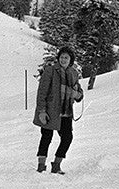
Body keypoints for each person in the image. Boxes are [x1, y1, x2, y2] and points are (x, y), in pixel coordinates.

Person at [33, 45, 84, 175]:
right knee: (46, 137)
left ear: (70, 59)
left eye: (66, 58)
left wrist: (77, 95)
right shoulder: (50, 71)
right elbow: (42, 93)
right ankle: (41, 166)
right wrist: (42, 111)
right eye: (61, 57)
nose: (63, 60)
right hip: (50, 110)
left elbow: (79, 92)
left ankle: (56, 165)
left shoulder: (73, 73)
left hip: (66, 112)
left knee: (67, 138)